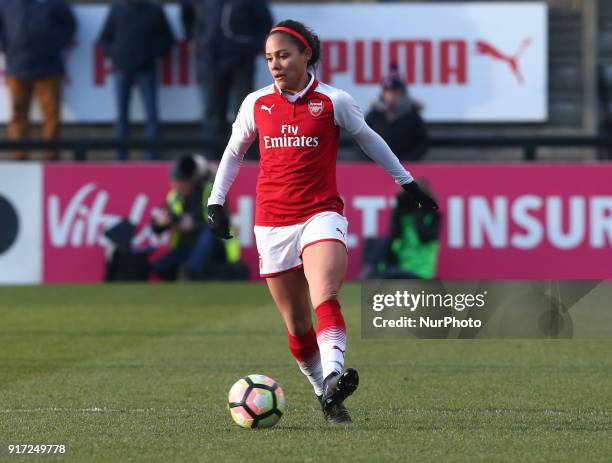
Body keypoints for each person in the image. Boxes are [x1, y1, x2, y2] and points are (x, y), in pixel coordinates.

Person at [206, 20, 438, 423]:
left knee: (325, 293)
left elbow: (369, 139)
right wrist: (216, 201)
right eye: (269, 59)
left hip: (320, 212)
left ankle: (334, 372)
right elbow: (233, 152)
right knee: (297, 326)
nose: (275, 65)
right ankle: (325, 394)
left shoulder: (334, 101)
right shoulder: (256, 104)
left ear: (305, 55)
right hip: (272, 222)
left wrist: (407, 182)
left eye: (283, 55)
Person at [181, 0, 272, 137]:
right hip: (212, 60)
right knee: (214, 111)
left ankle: (244, 153)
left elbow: (265, 23)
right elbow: (195, 18)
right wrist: (200, 42)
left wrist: (250, 47)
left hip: (242, 60)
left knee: (243, 110)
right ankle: (214, 153)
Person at [98, 0, 175, 161]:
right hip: (122, 68)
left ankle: (151, 156)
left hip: (147, 68)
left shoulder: (155, 11)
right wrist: (115, 54)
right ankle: (121, 156)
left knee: (151, 114)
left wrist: (152, 54)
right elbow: (104, 38)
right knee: (122, 115)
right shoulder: (117, 10)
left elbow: (168, 39)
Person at [0, 0, 76, 161]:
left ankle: (51, 156)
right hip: (17, 68)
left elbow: (69, 24)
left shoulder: (54, 3)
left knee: (51, 115)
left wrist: (55, 45)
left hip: (49, 68)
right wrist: (8, 47)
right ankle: (20, 156)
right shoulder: (7, 3)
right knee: (18, 114)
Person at [151, 154, 224, 280]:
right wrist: (159, 223)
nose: (175, 185)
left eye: (179, 180)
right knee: (160, 268)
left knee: (208, 234)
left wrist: (194, 224)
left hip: (215, 245)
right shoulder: (174, 197)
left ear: (189, 180)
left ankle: (190, 271)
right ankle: (185, 273)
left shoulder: (209, 192)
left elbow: (220, 221)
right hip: (188, 246)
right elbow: (160, 224)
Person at [361, 181, 441, 280]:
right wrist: (398, 210)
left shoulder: (432, 217)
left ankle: (370, 273)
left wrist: (420, 211)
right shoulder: (404, 217)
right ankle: (369, 269)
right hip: (401, 266)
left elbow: (424, 236)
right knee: (378, 242)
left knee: (383, 276)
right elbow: (394, 236)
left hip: (420, 271)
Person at [365, 65, 429, 162]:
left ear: (402, 92)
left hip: (406, 167)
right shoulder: (373, 115)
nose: (390, 94)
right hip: (376, 166)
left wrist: (406, 161)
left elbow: (422, 143)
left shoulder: (412, 115)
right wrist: (373, 160)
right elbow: (360, 140)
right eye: (387, 90)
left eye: (394, 90)